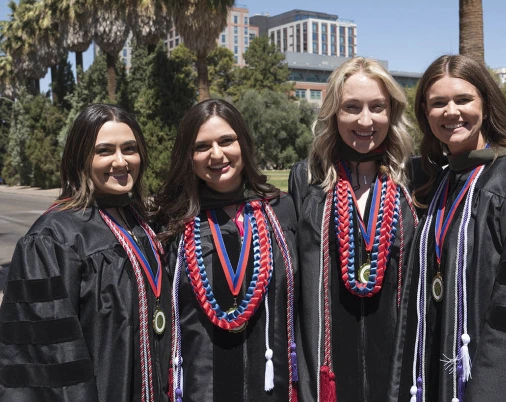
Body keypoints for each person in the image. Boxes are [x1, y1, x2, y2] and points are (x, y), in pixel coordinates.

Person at [390, 54, 506, 402]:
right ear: (426, 115)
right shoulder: (443, 182)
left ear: (486, 104)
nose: (451, 111)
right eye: (438, 103)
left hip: (497, 382)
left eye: (463, 99)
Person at [0, 104, 171, 401]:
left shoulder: (145, 223)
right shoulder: (54, 238)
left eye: (129, 148)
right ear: (81, 158)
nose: (121, 161)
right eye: (105, 151)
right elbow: (47, 355)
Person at [288, 56, 420, 402]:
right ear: (333, 112)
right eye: (352, 107)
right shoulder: (307, 179)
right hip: (328, 366)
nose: (366, 120)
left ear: (391, 111)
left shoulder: (414, 179)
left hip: (397, 367)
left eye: (377, 107)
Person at [154, 99, 299, 402]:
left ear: (243, 143)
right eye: (202, 146)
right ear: (188, 156)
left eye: (226, 141)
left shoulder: (280, 210)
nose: (217, 154)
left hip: (271, 386)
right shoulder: (171, 224)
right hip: (201, 387)